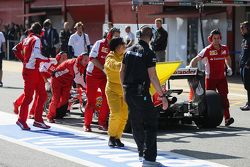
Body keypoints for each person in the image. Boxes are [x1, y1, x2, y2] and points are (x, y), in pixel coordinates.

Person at [120, 25, 168, 166]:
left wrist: (124, 89)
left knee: (136, 123)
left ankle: (141, 153)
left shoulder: (128, 51)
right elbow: (153, 77)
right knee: (150, 124)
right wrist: (162, 95)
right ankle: (149, 159)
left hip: (128, 91)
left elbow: (121, 72)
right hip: (141, 93)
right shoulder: (148, 53)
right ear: (151, 37)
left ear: (139, 34)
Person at [187, 29, 234, 126]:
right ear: (210, 39)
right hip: (210, 79)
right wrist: (191, 67)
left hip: (222, 79)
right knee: (209, 100)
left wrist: (229, 67)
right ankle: (207, 118)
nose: (216, 40)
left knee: (224, 98)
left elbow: (227, 58)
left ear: (220, 38)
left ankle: (227, 118)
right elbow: (195, 60)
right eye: (214, 38)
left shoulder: (224, 48)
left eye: (218, 38)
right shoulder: (207, 50)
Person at [15, 22, 53, 130]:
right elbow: (36, 55)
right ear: (40, 31)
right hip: (31, 71)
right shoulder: (36, 39)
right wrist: (47, 59)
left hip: (33, 70)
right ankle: (21, 120)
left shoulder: (27, 39)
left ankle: (38, 120)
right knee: (29, 97)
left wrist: (23, 60)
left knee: (43, 95)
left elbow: (15, 49)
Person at [84, 27, 120, 132]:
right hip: (92, 75)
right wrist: (103, 68)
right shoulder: (99, 43)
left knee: (107, 98)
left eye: (118, 37)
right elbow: (92, 58)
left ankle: (102, 123)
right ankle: (87, 124)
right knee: (91, 100)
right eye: (115, 36)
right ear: (109, 36)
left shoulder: (116, 48)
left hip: (105, 76)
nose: (117, 39)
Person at [12, 52, 68, 118]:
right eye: (63, 58)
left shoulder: (65, 65)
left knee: (30, 92)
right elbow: (41, 71)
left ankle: (17, 102)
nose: (65, 59)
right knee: (37, 94)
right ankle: (32, 113)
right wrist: (46, 82)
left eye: (66, 58)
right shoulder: (51, 62)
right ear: (58, 58)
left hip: (46, 78)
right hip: (37, 74)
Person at [46, 53, 89, 123]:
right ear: (80, 59)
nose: (86, 62)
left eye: (88, 61)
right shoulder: (73, 64)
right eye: (85, 60)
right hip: (57, 80)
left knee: (64, 100)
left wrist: (85, 87)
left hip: (68, 82)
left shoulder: (81, 65)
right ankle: (50, 116)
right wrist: (86, 88)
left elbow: (81, 77)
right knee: (56, 99)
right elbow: (78, 79)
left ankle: (54, 109)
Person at [104, 37, 128, 147]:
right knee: (116, 113)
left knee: (124, 116)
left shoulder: (126, 56)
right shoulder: (110, 57)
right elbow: (113, 65)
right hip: (112, 90)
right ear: (115, 47)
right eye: (121, 44)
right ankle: (111, 136)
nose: (124, 46)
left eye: (124, 44)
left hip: (124, 90)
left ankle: (118, 137)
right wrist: (124, 65)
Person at [239, 21, 250, 111]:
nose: (241, 30)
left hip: (248, 67)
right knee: (247, 86)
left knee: (248, 85)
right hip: (243, 67)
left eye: (243, 28)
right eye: (241, 28)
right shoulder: (244, 40)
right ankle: (249, 102)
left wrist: (248, 64)